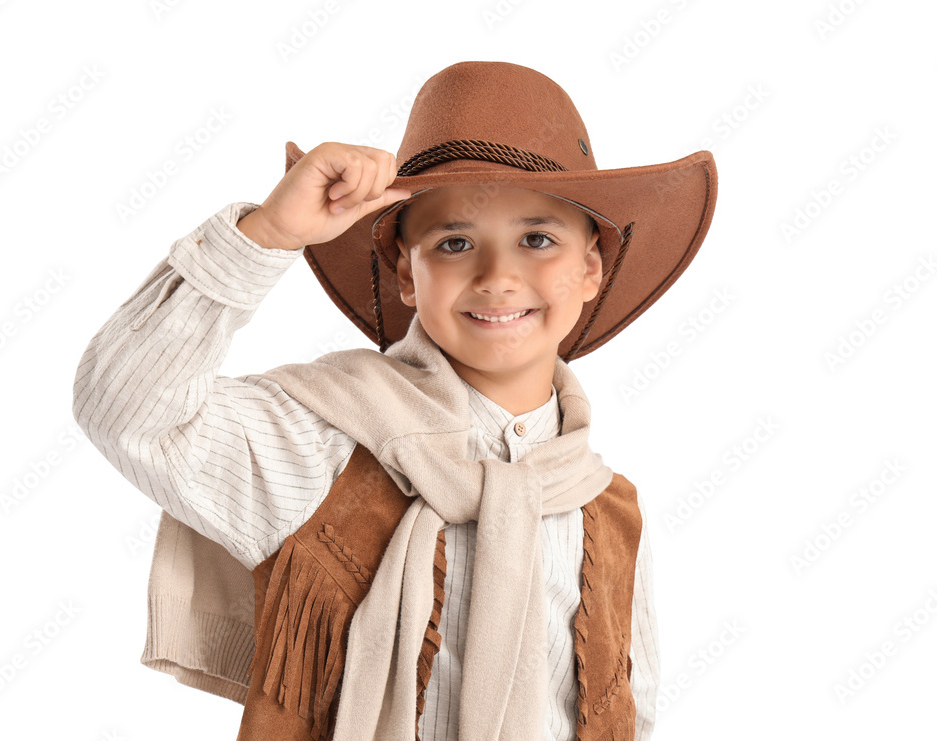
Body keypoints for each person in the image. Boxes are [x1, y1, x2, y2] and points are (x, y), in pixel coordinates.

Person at [71, 60, 717, 741]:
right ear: (407, 273)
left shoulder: (607, 509)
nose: (498, 276)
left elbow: (631, 711)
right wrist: (269, 234)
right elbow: (128, 409)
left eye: (537, 239)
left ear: (591, 269)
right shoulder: (324, 447)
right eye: (455, 242)